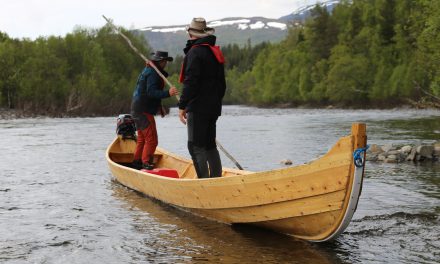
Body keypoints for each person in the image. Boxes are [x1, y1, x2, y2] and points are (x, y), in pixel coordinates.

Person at [178, 17, 226, 178]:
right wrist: (216, 102)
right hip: (213, 108)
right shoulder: (215, 52)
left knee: (195, 146)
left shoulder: (195, 53)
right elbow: (222, 85)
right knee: (209, 144)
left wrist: (182, 106)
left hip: (197, 108)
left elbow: (190, 82)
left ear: (191, 34)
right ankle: (216, 179)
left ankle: (203, 183)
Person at [131, 51, 179, 170]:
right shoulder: (153, 73)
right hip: (143, 110)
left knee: (142, 139)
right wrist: (168, 93)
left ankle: (137, 162)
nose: (166, 64)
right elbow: (151, 92)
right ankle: (146, 164)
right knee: (152, 140)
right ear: (161, 61)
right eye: (165, 61)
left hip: (136, 108)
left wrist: (159, 106)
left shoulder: (149, 70)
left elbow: (148, 92)